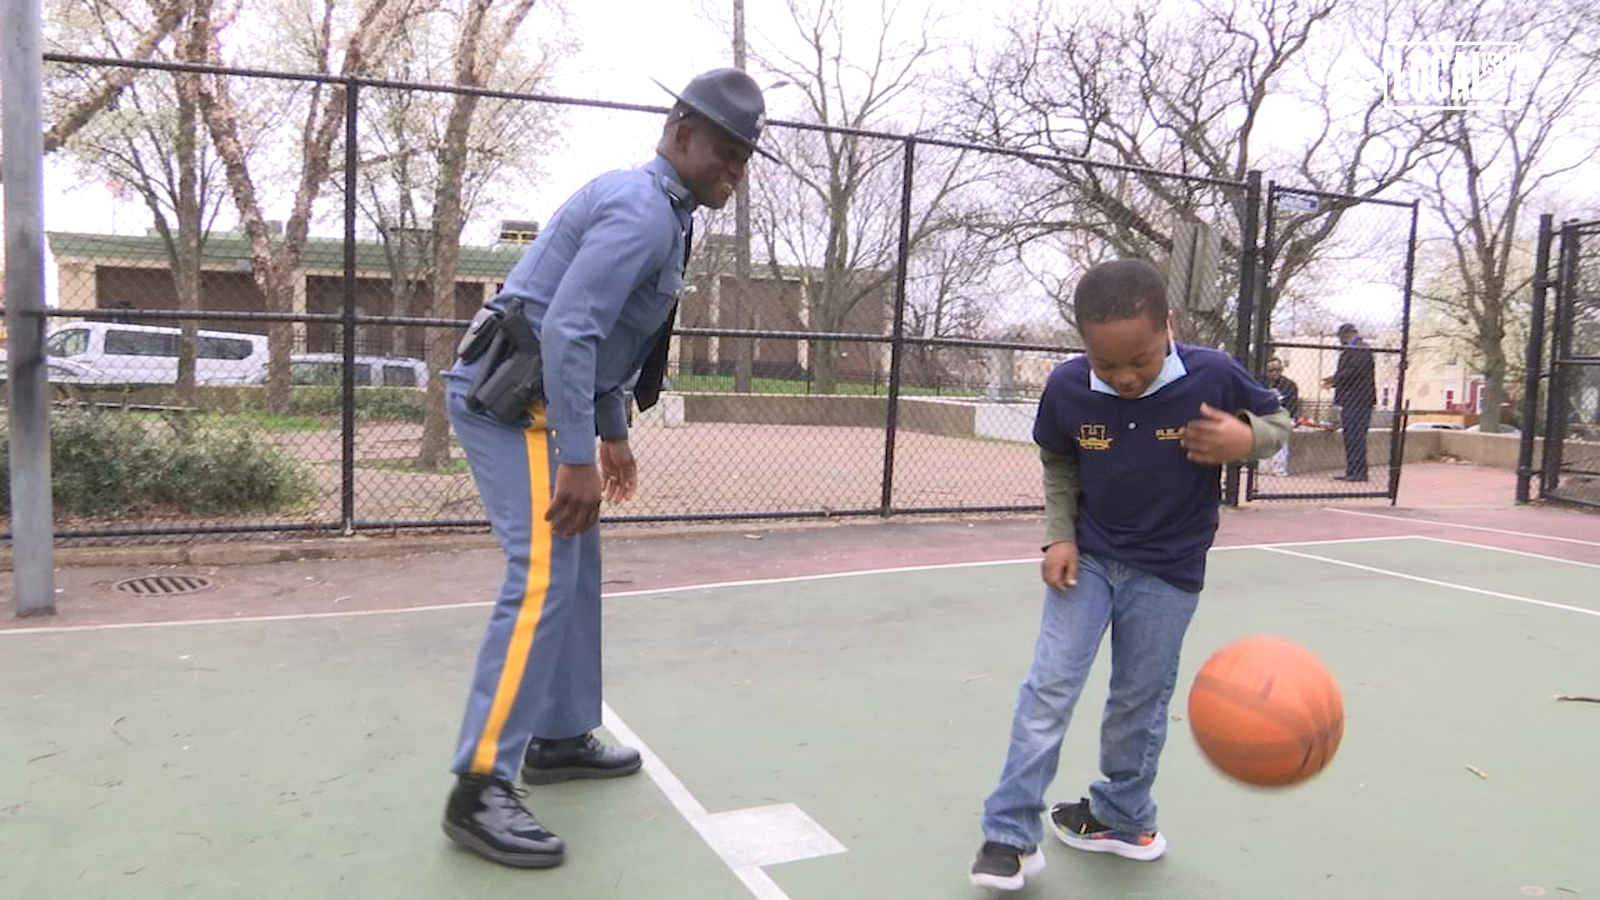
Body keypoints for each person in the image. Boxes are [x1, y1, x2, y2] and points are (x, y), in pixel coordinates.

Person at [437, 68, 771, 870]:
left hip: (551, 403)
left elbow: (617, 339)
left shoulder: (667, 213)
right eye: (724, 150)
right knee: (544, 573)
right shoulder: (639, 211)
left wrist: (612, 430)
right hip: (513, 403)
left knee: (576, 566)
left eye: (744, 157)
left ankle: (557, 735)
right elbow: (569, 333)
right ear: (680, 131)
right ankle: (479, 784)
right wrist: (581, 457)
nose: (733, 169)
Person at [968, 258, 1291, 892]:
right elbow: (1059, 461)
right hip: (1086, 559)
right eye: (1105, 364)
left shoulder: (1214, 375)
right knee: (1048, 690)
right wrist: (1059, 533)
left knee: (1138, 702)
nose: (1123, 378)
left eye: (1139, 360)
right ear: (1083, 345)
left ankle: (1124, 817)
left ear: (1169, 325)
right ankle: (1008, 834)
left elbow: (1278, 427)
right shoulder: (1066, 387)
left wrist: (1244, 438)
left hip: (1169, 570)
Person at [1321, 323, 1375, 482]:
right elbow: (1350, 371)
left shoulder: (1361, 348)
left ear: (1348, 334)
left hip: (1358, 400)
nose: (1340, 340)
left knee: (1356, 436)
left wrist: (1335, 379)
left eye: (1341, 336)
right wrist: (1335, 380)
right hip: (1352, 399)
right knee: (1350, 436)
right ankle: (1352, 470)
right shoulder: (1354, 349)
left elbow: (1355, 372)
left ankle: (1358, 472)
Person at [1260, 357, 1300, 476]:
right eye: (1271, 370)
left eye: (1277, 369)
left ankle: (1279, 468)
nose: (1274, 373)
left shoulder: (1289, 385)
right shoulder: (1262, 383)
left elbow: (1292, 405)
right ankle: (1264, 468)